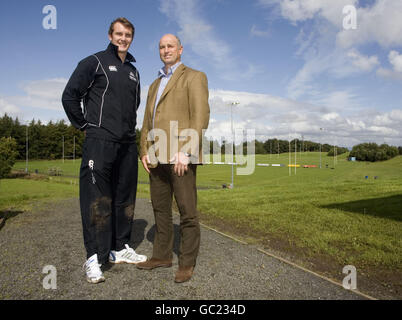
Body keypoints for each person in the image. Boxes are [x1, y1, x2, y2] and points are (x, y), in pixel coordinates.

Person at [62, 17, 146, 284]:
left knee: (124, 197)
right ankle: (94, 258)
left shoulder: (134, 71)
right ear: (110, 35)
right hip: (99, 142)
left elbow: (134, 107)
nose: (124, 38)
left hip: (126, 144)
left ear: (132, 38)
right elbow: (70, 96)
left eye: (128, 35)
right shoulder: (94, 62)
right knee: (97, 200)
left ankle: (119, 248)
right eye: (119, 34)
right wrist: (84, 125)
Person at [136, 34, 210, 283]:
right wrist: (144, 150)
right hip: (157, 157)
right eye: (161, 46)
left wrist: (187, 151)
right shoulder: (154, 84)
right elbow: (147, 121)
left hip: (180, 156)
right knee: (160, 210)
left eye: (170, 46)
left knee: (187, 212)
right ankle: (161, 256)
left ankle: (186, 263)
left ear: (180, 50)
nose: (166, 50)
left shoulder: (194, 76)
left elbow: (200, 116)